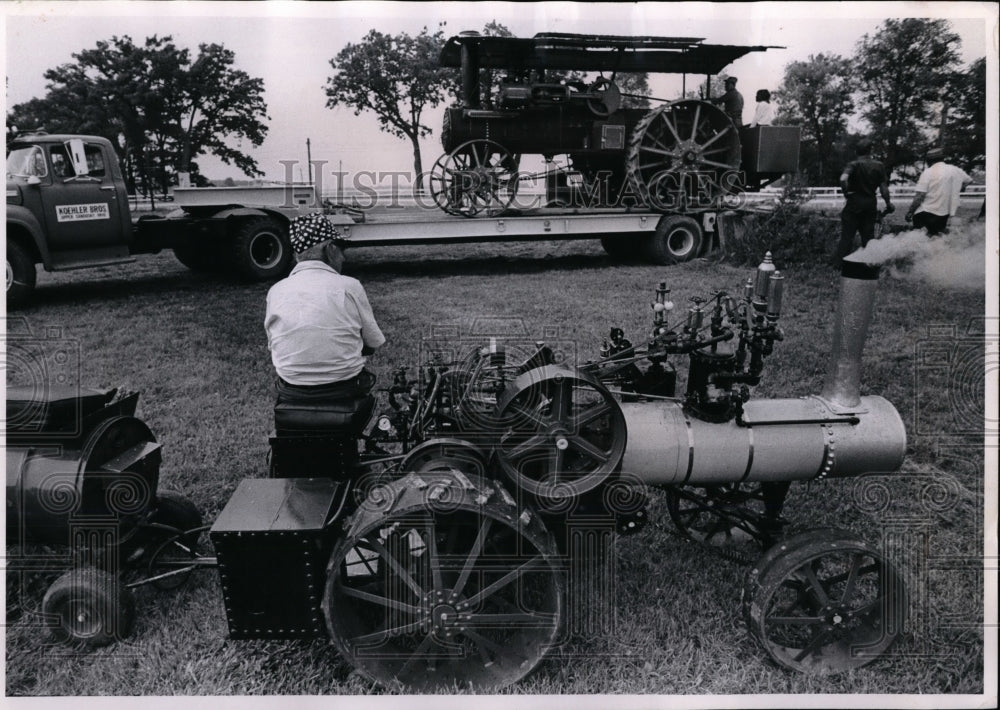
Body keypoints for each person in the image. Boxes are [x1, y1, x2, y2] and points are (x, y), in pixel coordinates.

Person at [264, 214, 385, 404]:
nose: (343, 257)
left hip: (292, 389)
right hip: (344, 388)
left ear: (297, 255)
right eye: (341, 249)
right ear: (330, 250)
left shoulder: (276, 291)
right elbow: (373, 343)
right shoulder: (349, 286)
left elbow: (274, 344)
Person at [837, 139, 894, 260]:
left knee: (847, 236)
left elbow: (843, 179)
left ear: (857, 151)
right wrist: (888, 203)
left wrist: (846, 192)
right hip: (870, 203)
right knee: (868, 236)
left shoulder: (853, 164)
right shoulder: (879, 166)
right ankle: (868, 263)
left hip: (854, 202)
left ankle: (840, 264)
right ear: (870, 151)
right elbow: (884, 189)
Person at [905, 147, 973, 236]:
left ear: (929, 161)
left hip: (925, 212)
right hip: (944, 214)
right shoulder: (955, 170)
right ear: (942, 158)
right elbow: (969, 180)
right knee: (936, 237)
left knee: (919, 237)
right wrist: (959, 188)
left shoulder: (928, 172)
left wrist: (910, 212)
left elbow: (920, 196)